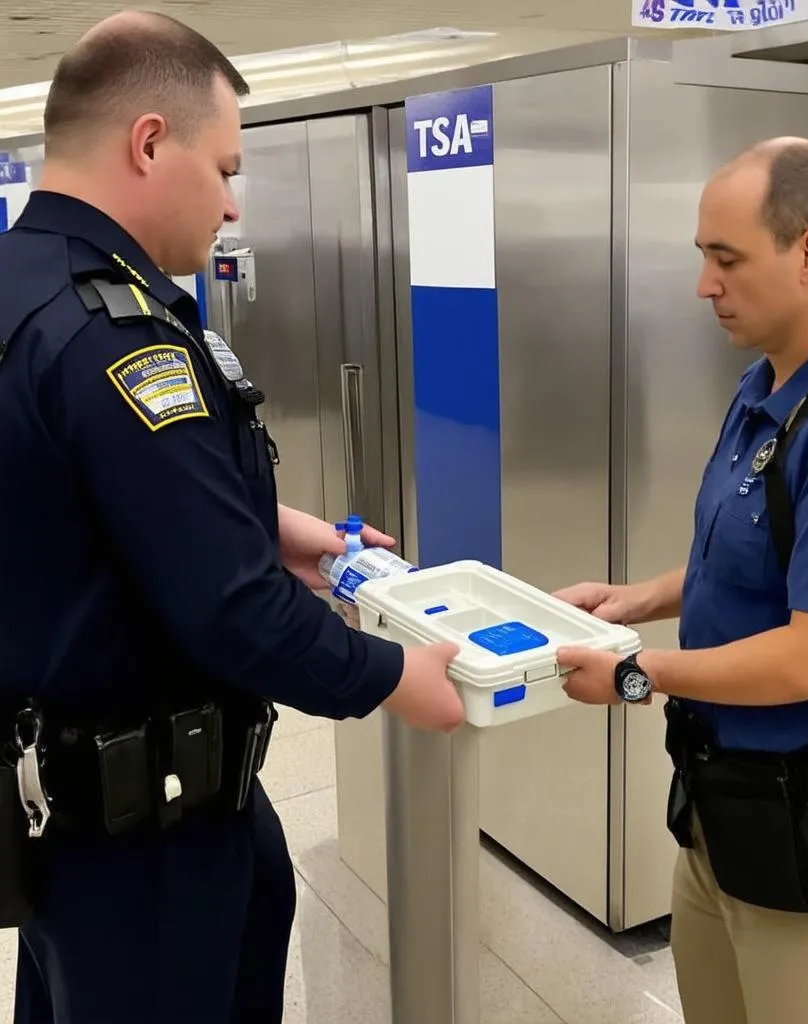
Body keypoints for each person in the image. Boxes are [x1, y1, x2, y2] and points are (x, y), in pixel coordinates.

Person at [0, 12, 463, 1024]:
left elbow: (90, 502)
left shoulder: (24, 286)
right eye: (223, 169)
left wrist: (275, 524)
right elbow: (230, 609)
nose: (230, 203)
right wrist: (395, 675)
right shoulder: (109, 331)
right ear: (149, 142)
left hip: (78, 806)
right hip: (143, 837)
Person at [554, 138, 808, 1024]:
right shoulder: (769, 390)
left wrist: (638, 671)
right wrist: (637, 600)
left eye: (725, 257)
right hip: (722, 821)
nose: (705, 283)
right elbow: (746, 564)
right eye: (705, 256)